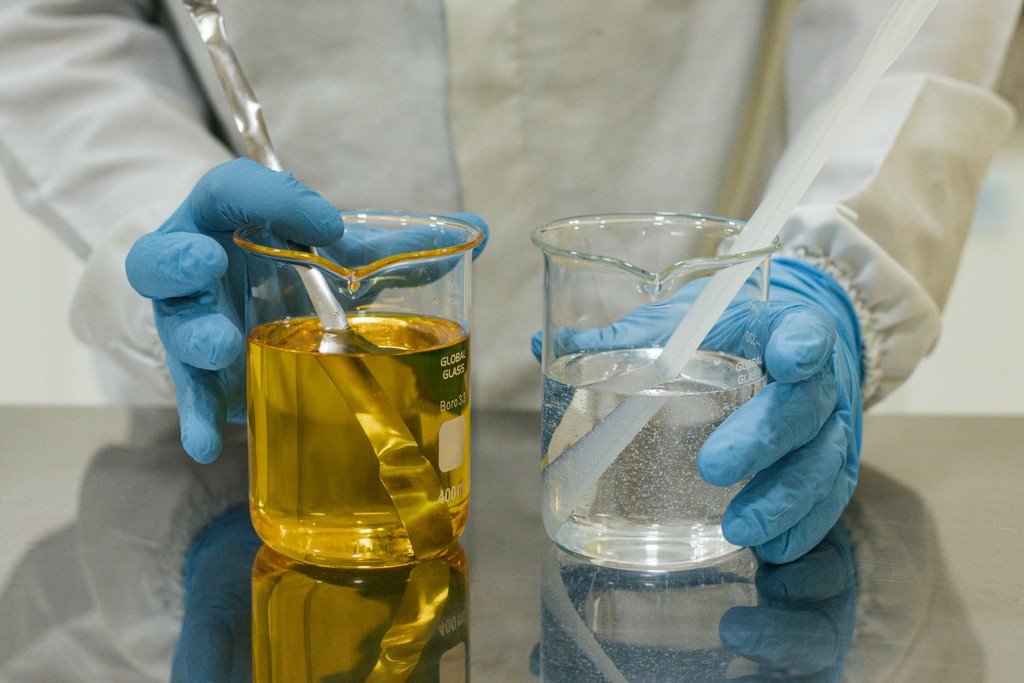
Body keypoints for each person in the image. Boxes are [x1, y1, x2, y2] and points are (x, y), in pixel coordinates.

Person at [0, 1, 1020, 568]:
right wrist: (165, 215)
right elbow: (52, 21)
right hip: (243, 455)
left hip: (707, 388)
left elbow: (912, 23)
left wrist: (836, 260)